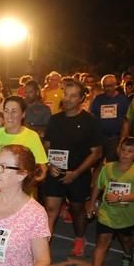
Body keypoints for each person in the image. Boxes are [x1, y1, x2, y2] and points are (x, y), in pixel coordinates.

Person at [42, 82, 103, 257]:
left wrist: (76, 173)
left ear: (82, 98)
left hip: (78, 174)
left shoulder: (90, 121)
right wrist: (50, 165)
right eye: (66, 94)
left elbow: (97, 153)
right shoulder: (55, 119)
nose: (67, 99)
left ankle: (79, 237)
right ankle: (44, 246)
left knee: (77, 210)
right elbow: (47, 146)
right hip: (55, 172)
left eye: (73, 96)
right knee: (51, 209)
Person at [82, 137, 134, 266]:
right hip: (107, 213)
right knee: (102, 242)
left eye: (130, 151)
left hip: (127, 216)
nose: (125, 154)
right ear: (118, 150)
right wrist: (91, 204)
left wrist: (120, 197)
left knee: (126, 240)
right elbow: (98, 187)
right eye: (123, 150)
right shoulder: (108, 168)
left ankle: (127, 254)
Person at [0, 96, 48, 194]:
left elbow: (42, 170)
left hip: (21, 198)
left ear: (23, 114)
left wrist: (26, 185)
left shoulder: (32, 136)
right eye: (6, 111)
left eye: (14, 111)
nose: (9, 116)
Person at [90, 74, 130, 162]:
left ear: (115, 85)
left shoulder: (123, 100)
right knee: (96, 164)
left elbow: (125, 122)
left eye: (110, 86)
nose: (107, 89)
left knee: (111, 164)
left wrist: (122, 141)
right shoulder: (98, 99)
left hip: (115, 139)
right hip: (99, 138)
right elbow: (92, 117)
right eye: (104, 86)